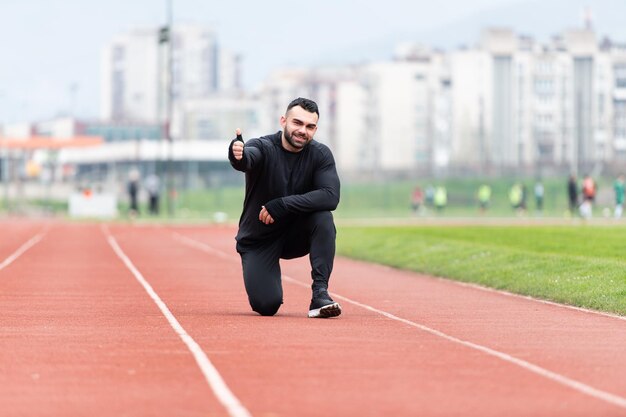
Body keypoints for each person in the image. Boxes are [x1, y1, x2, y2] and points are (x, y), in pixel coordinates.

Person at [228, 97, 341, 318]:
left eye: (309, 126)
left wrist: (282, 205)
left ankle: (320, 294)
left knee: (323, 218)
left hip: (295, 235)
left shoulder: (321, 155)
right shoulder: (263, 146)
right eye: (297, 123)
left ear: (315, 129)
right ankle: (266, 287)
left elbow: (331, 196)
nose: (302, 131)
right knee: (266, 305)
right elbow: (247, 159)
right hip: (260, 238)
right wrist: (237, 155)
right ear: (283, 121)